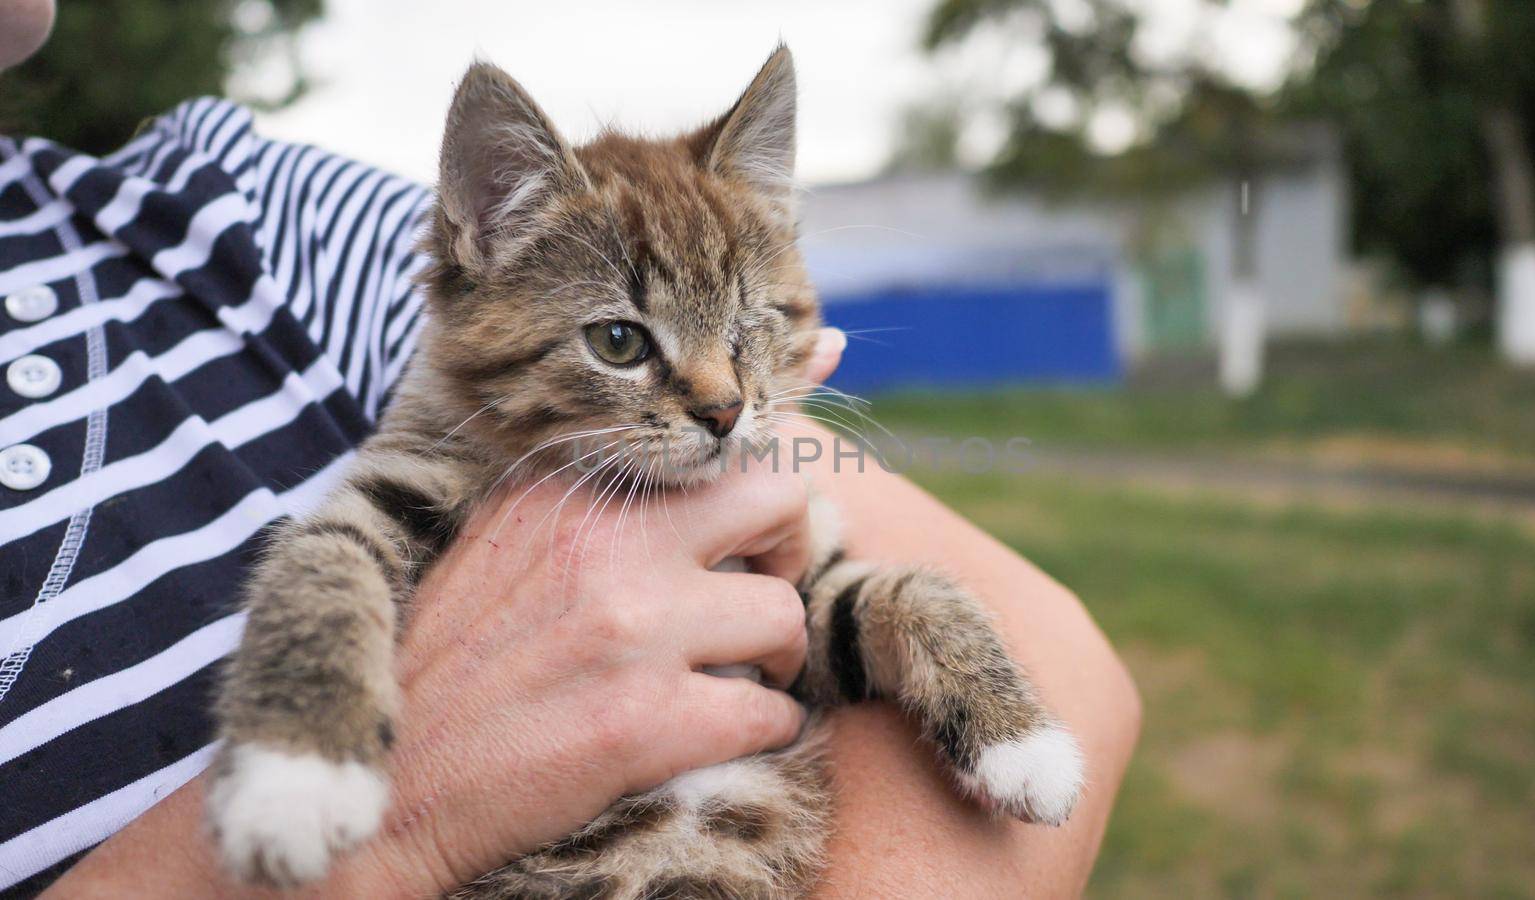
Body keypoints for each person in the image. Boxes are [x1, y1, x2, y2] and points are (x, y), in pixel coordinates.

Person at [0, 3, 1142, 896]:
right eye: (618, 340)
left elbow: (879, 619)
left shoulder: (227, 211)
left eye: (752, 328)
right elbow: (343, 547)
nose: (716, 397)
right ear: (483, 236)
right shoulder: (467, 433)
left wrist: (944, 650)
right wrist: (327, 747)